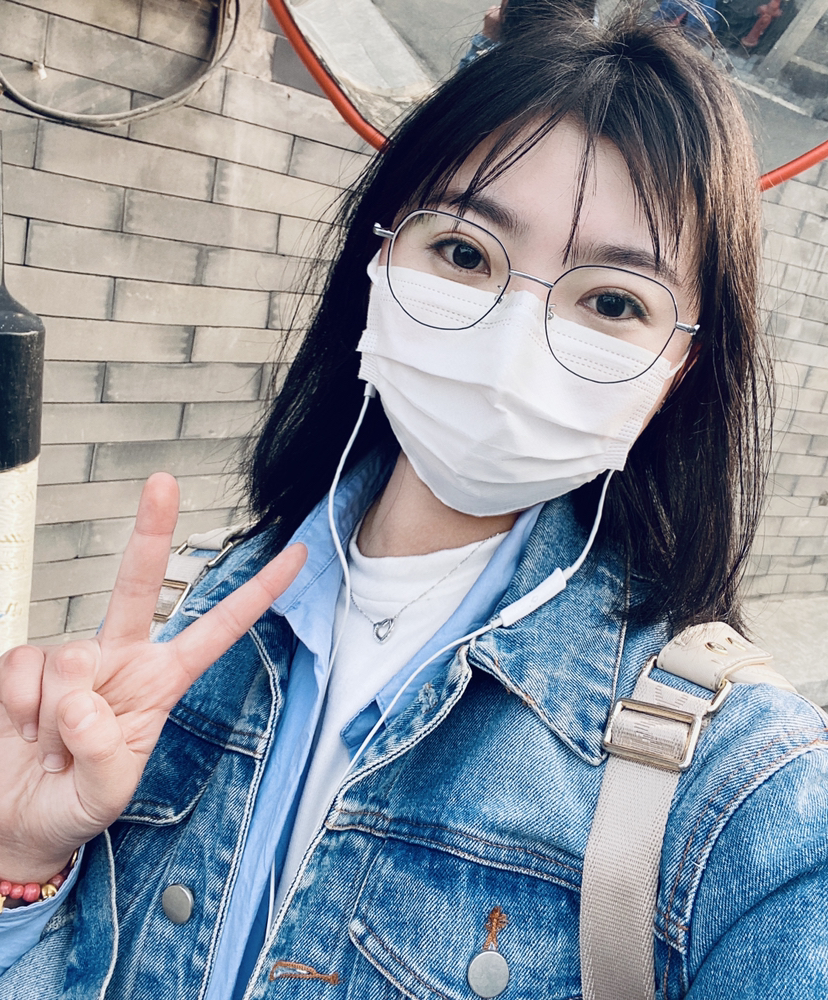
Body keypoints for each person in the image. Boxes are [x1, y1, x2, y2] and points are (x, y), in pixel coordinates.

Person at [1, 7, 827, 998]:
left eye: (613, 302)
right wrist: (23, 864)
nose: (512, 343)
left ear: (676, 370)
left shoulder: (741, 788)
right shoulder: (192, 617)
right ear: (380, 260)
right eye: (466, 254)